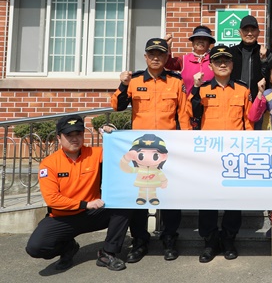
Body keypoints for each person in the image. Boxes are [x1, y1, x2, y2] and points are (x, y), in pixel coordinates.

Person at [111, 37, 192, 263]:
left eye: (161, 54)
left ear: (167, 57)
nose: (156, 58)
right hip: (140, 151)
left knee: (170, 196)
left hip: (167, 150)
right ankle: (140, 241)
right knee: (140, 196)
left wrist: (186, 143)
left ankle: (169, 238)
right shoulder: (135, 80)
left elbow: (184, 114)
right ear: (145, 57)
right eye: (152, 54)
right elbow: (117, 106)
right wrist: (123, 84)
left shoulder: (175, 82)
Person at [25, 115, 129, 271]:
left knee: (125, 205)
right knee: (35, 248)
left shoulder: (96, 153)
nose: (75, 139)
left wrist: (113, 137)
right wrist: (85, 204)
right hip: (63, 218)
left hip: (93, 213)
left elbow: (124, 155)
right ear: (59, 138)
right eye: (69, 135)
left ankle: (107, 253)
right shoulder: (49, 164)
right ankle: (68, 247)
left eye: (78, 134)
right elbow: (52, 199)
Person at [190, 45, 252, 262]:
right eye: (218, 61)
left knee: (234, 200)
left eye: (226, 60)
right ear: (211, 66)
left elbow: (248, 122)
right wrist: (195, 89)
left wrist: (247, 150)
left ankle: (228, 239)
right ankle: (209, 241)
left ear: (232, 64)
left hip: (235, 155)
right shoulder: (202, 89)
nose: (223, 64)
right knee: (207, 199)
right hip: (209, 155)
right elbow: (191, 114)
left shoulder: (243, 90)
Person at [229, 15, 272, 129]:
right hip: (235, 102)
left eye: (253, 30)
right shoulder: (231, 53)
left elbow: (271, 79)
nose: (249, 33)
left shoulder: (266, 53)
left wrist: (264, 60)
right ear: (240, 32)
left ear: (258, 32)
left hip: (259, 103)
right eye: (246, 30)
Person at [164, 25, 216, 95]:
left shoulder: (215, 60)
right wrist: (167, 47)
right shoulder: (184, 59)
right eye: (198, 38)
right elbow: (168, 64)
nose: (201, 41)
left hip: (211, 100)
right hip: (188, 100)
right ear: (192, 42)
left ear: (209, 43)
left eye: (204, 39)